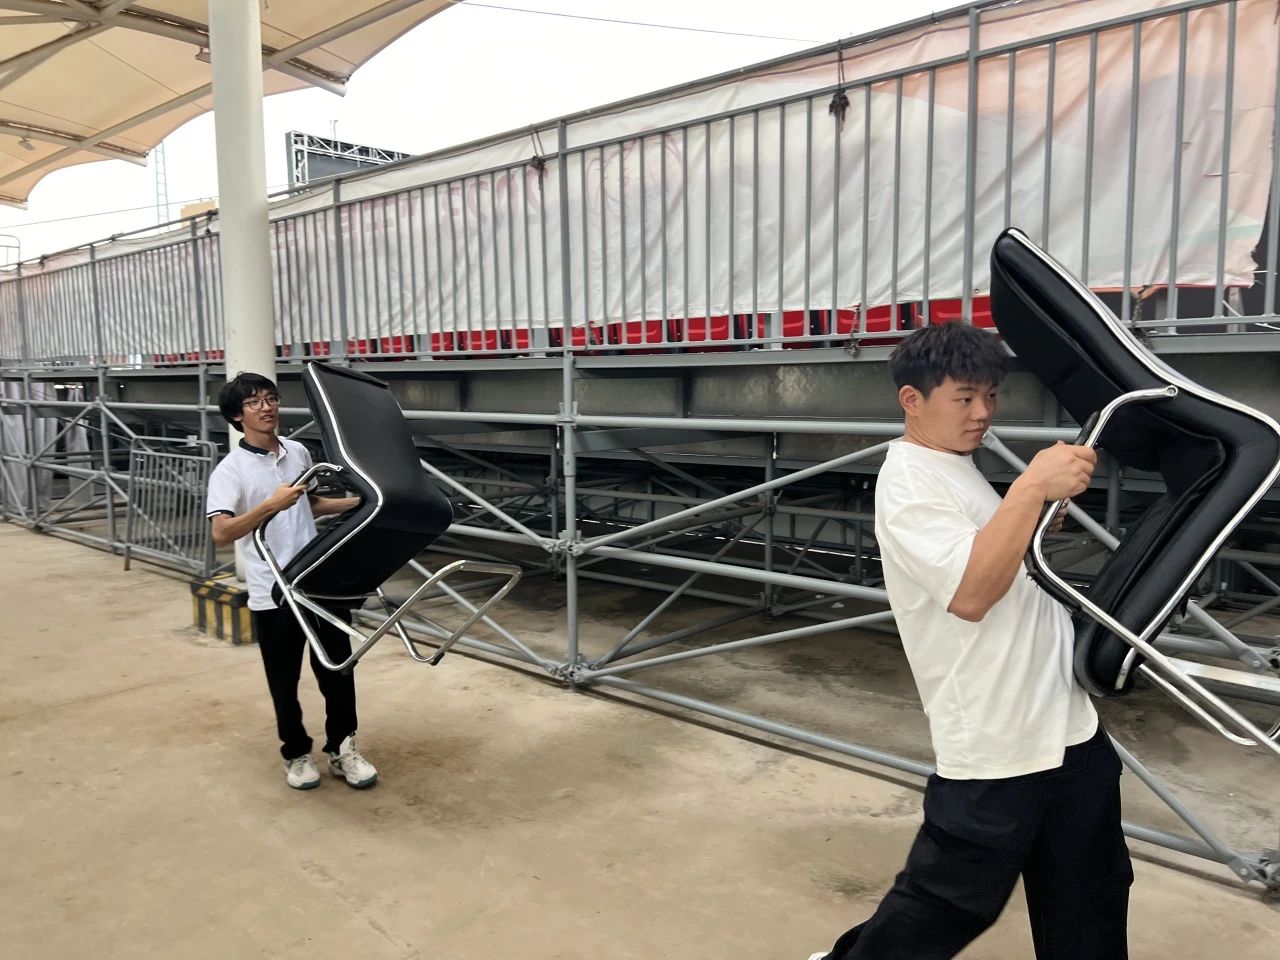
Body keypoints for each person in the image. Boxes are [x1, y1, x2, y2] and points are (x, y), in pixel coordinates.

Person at [810, 322, 1131, 960]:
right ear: (912, 400)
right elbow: (970, 593)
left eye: (990, 395)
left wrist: (1038, 509)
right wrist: (1031, 488)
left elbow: (996, 551)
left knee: (1092, 890)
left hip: (1064, 723)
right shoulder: (909, 481)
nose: (983, 412)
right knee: (945, 905)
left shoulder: (957, 469)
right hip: (995, 737)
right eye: (964, 397)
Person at [206, 371, 379, 791]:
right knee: (284, 679)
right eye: (253, 402)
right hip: (274, 590)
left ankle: (343, 749)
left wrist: (362, 501)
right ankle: (297, 753)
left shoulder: (298, 452)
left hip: (318, 580)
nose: (266, 407)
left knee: (339, 670)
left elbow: (309, 504)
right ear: (236, 415)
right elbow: (222, 532)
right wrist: (270, 505)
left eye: (271, 398)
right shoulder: (230, 470)